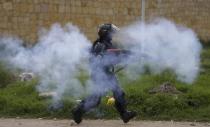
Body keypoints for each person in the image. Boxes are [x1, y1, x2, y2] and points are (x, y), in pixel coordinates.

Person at [72, 23, 136, 124]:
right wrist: (119, 53)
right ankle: (78, 110)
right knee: (95, 100)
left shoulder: (108, 44)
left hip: (108, 74)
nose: (113, 35)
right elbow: (99, 59)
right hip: (100, 75)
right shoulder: (99, 45)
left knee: (119, 93)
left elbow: (112, 59)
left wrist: (126, 57)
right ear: (106, 33)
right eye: (111, 33)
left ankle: (124, 114)